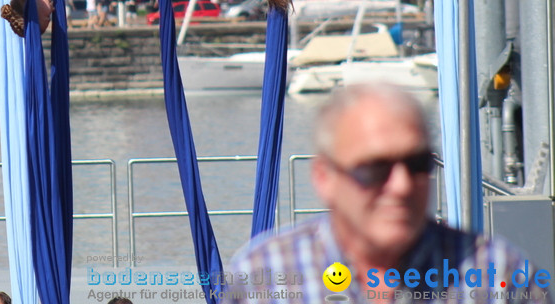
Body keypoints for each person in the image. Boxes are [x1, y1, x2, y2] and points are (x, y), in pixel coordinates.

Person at [227, 84, 546, 300]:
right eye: (376, 168)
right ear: (325, 178)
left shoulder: (500, 274)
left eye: (417, 163)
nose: (402, 185)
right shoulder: (263, 277)